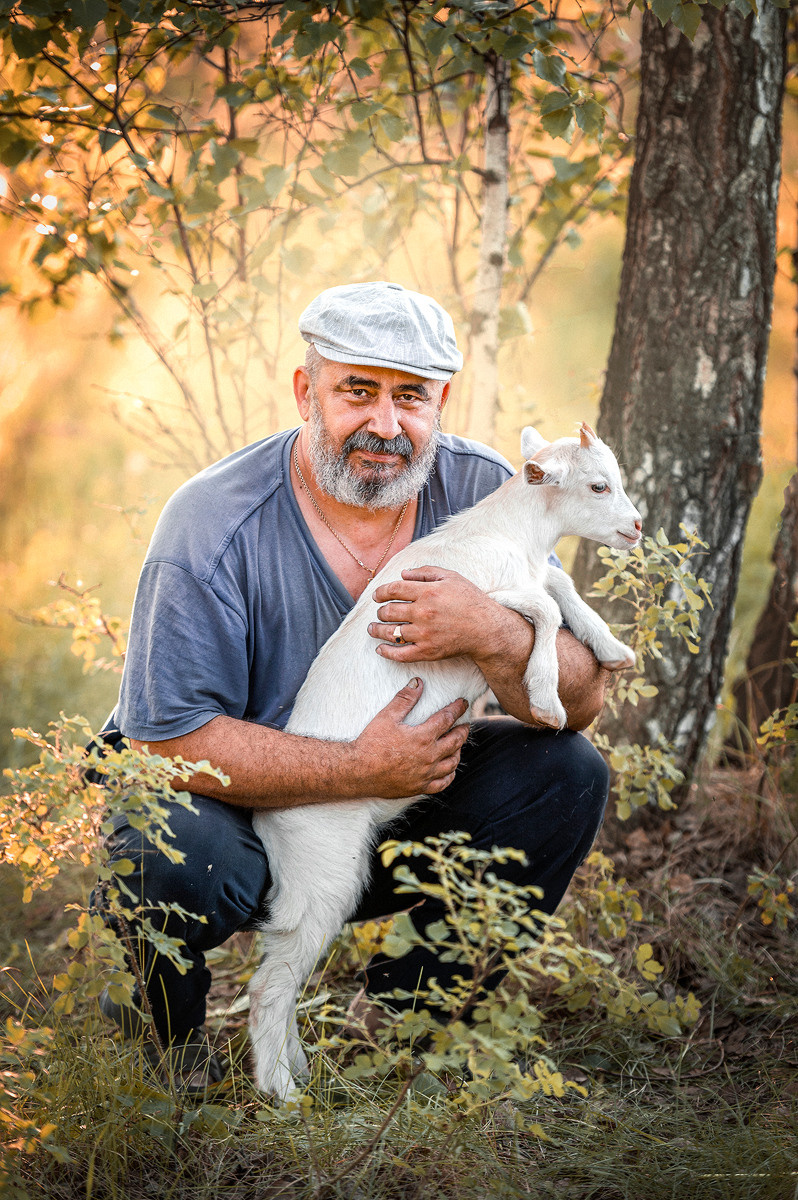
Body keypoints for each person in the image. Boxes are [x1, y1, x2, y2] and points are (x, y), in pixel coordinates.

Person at [94, 280, 611, 1091]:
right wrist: (359, 769)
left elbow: (579, 701)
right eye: (357, 391)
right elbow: (166, 741)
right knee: (170, 843)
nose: (385, 424)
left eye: (411, 397)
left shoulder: (493, 490)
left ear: (442, 401)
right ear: (307, 391)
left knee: (570, 773)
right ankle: (168, 1042)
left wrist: (491, 628)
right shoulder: (211, 523)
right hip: (230, 807)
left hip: (400, 798)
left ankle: (408, 1029)